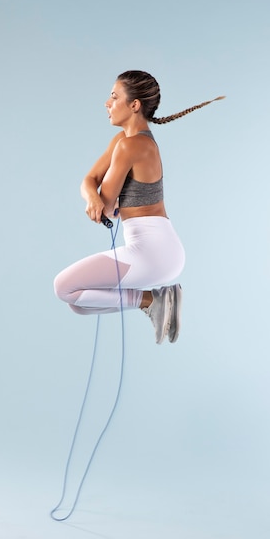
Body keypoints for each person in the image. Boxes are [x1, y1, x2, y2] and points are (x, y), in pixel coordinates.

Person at [54, 70, 223, 344]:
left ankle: (152, 299)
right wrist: (92, 198)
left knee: (64, 288)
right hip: (157, 250)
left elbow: (107, 207)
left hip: (153, 252)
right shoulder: (123, 142)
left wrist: (100, 200)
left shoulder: (132, 147)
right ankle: (152, 301)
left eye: (114, 97)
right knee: (80, 303)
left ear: (134, 105)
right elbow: (89, 181)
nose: (107, 103)